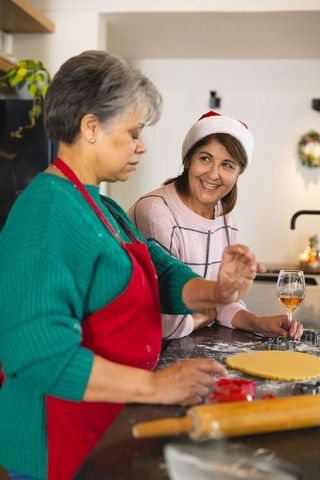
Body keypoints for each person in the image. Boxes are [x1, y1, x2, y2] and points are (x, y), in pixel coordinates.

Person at [0, 52, 263, 480]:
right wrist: (157, 385)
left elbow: (161, 273)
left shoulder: (101, 205)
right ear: (90, 127)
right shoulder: (46, 216)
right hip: (58, 442)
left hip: (103, 422)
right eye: (133, 132)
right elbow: (36, 355)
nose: (142, 145)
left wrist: (218, 292)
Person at [128, 111, 303, 340]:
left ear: (238, 173)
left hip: (185, 341)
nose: (213, 174)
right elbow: (160, 317)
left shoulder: (225, 216)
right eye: (205, 158)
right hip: (147, 349)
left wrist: (259, 323)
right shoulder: (156, 211)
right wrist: (203, 318)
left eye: (227, 165)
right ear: (188, 160)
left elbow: (222, 301)